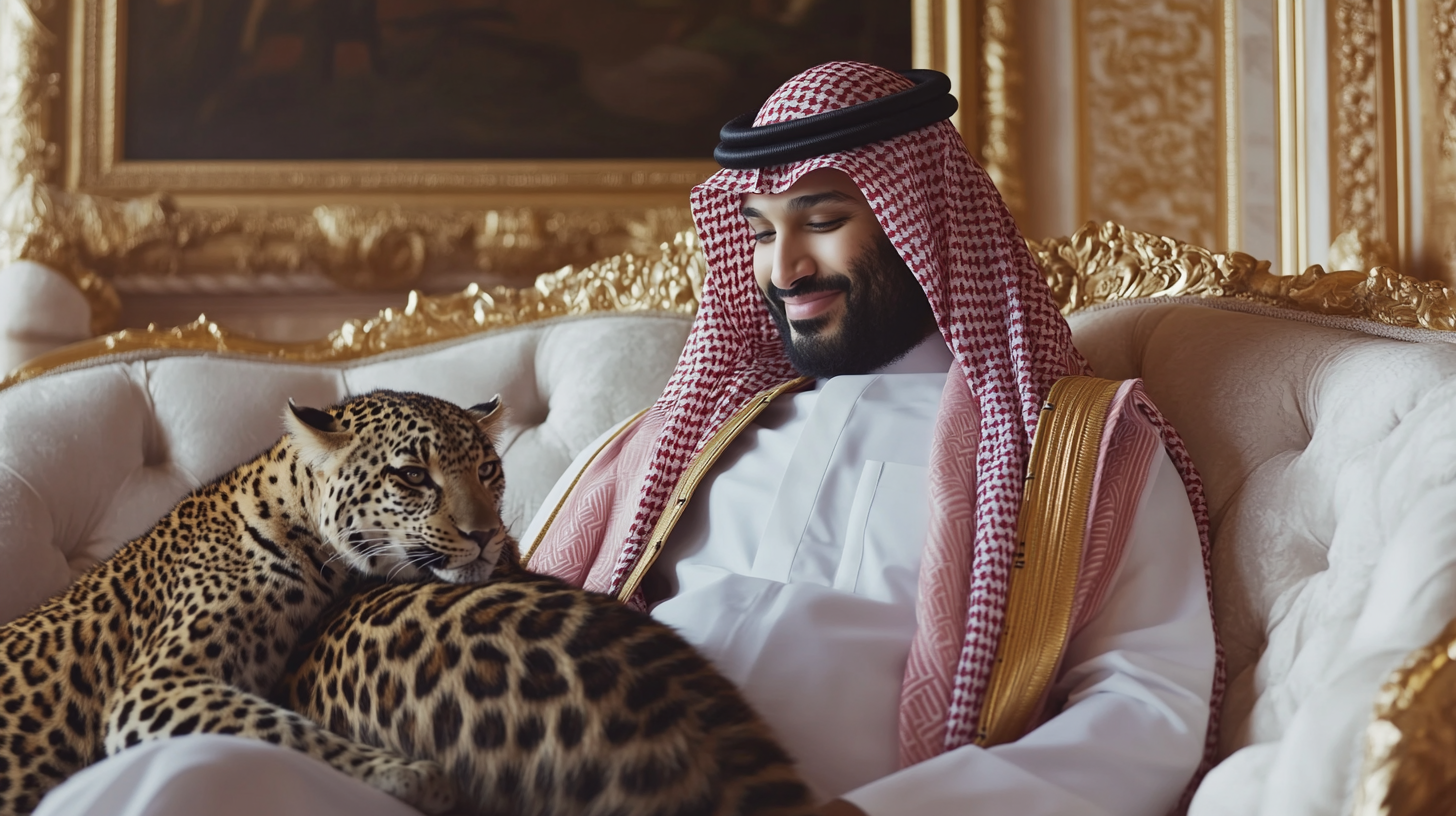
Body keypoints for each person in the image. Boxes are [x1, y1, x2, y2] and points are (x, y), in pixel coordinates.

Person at [34, 61, 1219, 816]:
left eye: (822, 222)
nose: (782, 267)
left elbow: (1146, 705)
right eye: (759, 231)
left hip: (810, 801)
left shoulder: (1073, 446)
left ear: (923, 220)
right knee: (178, 780)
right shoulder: (686, 437)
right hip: (550, 782)